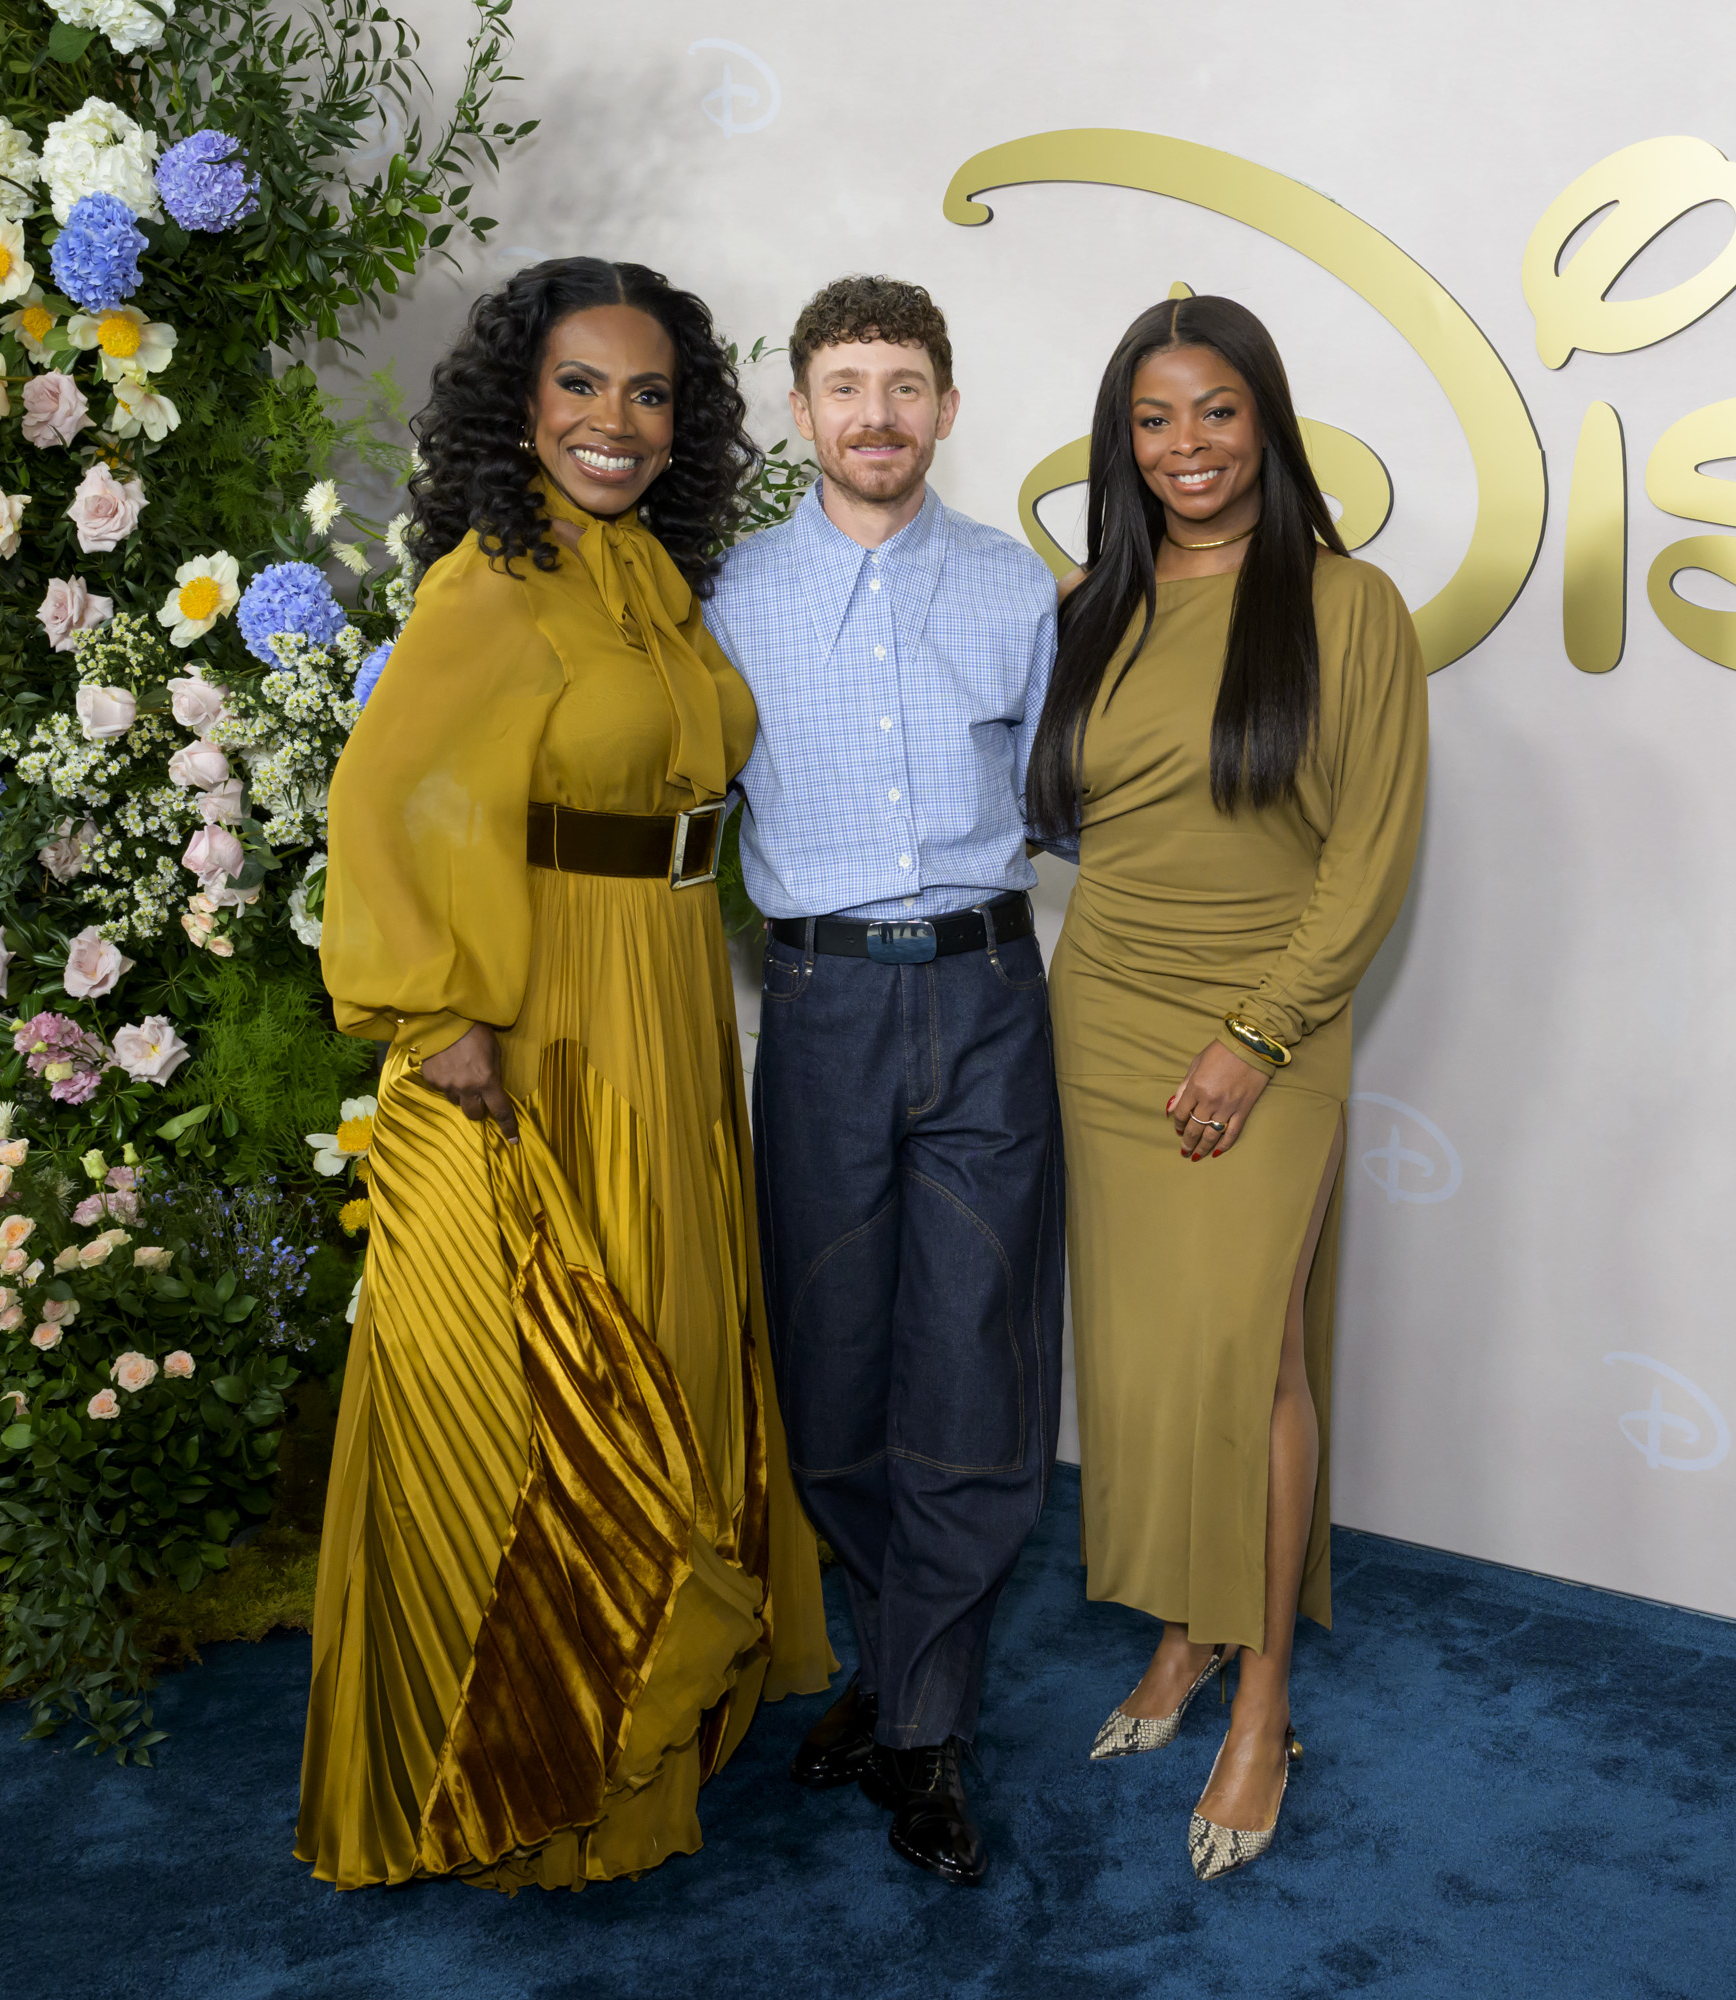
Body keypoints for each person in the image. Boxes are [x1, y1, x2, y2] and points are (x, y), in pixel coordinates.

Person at [300, 257, 832, 1891]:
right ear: (520, 405)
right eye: (583, 385)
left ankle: (649, 1741)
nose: (618, 420)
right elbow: (381, 801)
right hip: (549, 1016)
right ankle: (547, 1765)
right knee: (568, 1371)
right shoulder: (492, 582)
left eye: (649, 392)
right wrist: (435, 1012)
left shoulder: (654, 577)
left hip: (669, 990)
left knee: (673, 1328)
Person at [1034, 295, 1427, 1880]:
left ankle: (1263, 1699)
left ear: (1266, 420)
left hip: (1268, 1021)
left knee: (1249, 1353)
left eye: (1215, 411)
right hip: (1105, 1010)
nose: (1185, 446)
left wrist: (1257, 1036)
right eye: (1152, 419)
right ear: (1120, 440)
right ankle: (1186, 1632)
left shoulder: (1347, 604)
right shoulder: (1088, 606)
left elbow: (1371, 854)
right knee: (1146, 1355)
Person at [699, 275, 1061, 1889]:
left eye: (906, 385)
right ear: (801, 411)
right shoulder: (726, 595)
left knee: (976, 1360)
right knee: (832, 1363)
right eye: (846, 386)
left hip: (988, 994)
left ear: (948, 408)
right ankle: (898, 1661)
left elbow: (1061, 799)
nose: (877, 416)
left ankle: (923, 1725)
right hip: (822, 1004)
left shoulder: (1015, 587)